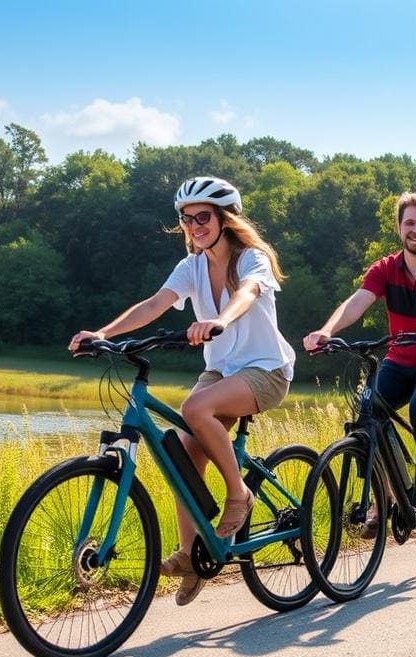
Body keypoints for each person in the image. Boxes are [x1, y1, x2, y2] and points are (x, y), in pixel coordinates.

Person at [69, 176, 295, 606]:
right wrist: (102, 333)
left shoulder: (252, 258)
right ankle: (192, 555)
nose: (193, 226)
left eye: (202, 217)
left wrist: (221, 320)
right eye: (186, 219)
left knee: (195, 407)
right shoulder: (191, 266)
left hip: (266, 370)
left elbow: (248, 293)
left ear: (225, 219)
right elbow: (156, 303)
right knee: (183, 456)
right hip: (223, 372)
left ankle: (238, 493)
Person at [303, 192, 416, 539]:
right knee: (367, 412)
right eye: (410, 223)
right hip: (400, 359)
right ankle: (384, 497)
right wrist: (327, 331)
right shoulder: (385, 268)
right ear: (399, 227)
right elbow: (358, 301)